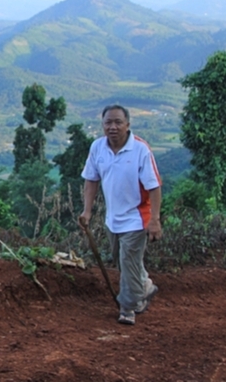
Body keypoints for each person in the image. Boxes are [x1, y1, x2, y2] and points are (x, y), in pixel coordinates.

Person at [78, 104, 162, 326]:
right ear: (102, 125)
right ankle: (145, 287)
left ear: (128, 125)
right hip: (112, 220)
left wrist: (155, 220)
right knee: (123, 262)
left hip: (137, 218)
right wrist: (87, 211)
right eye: (108, 123)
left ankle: (128, 307)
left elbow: (154, 187)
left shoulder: (140, 150)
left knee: (128, 260)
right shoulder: (97, 148)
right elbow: (91, 180)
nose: (113, 127)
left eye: (118, 122)